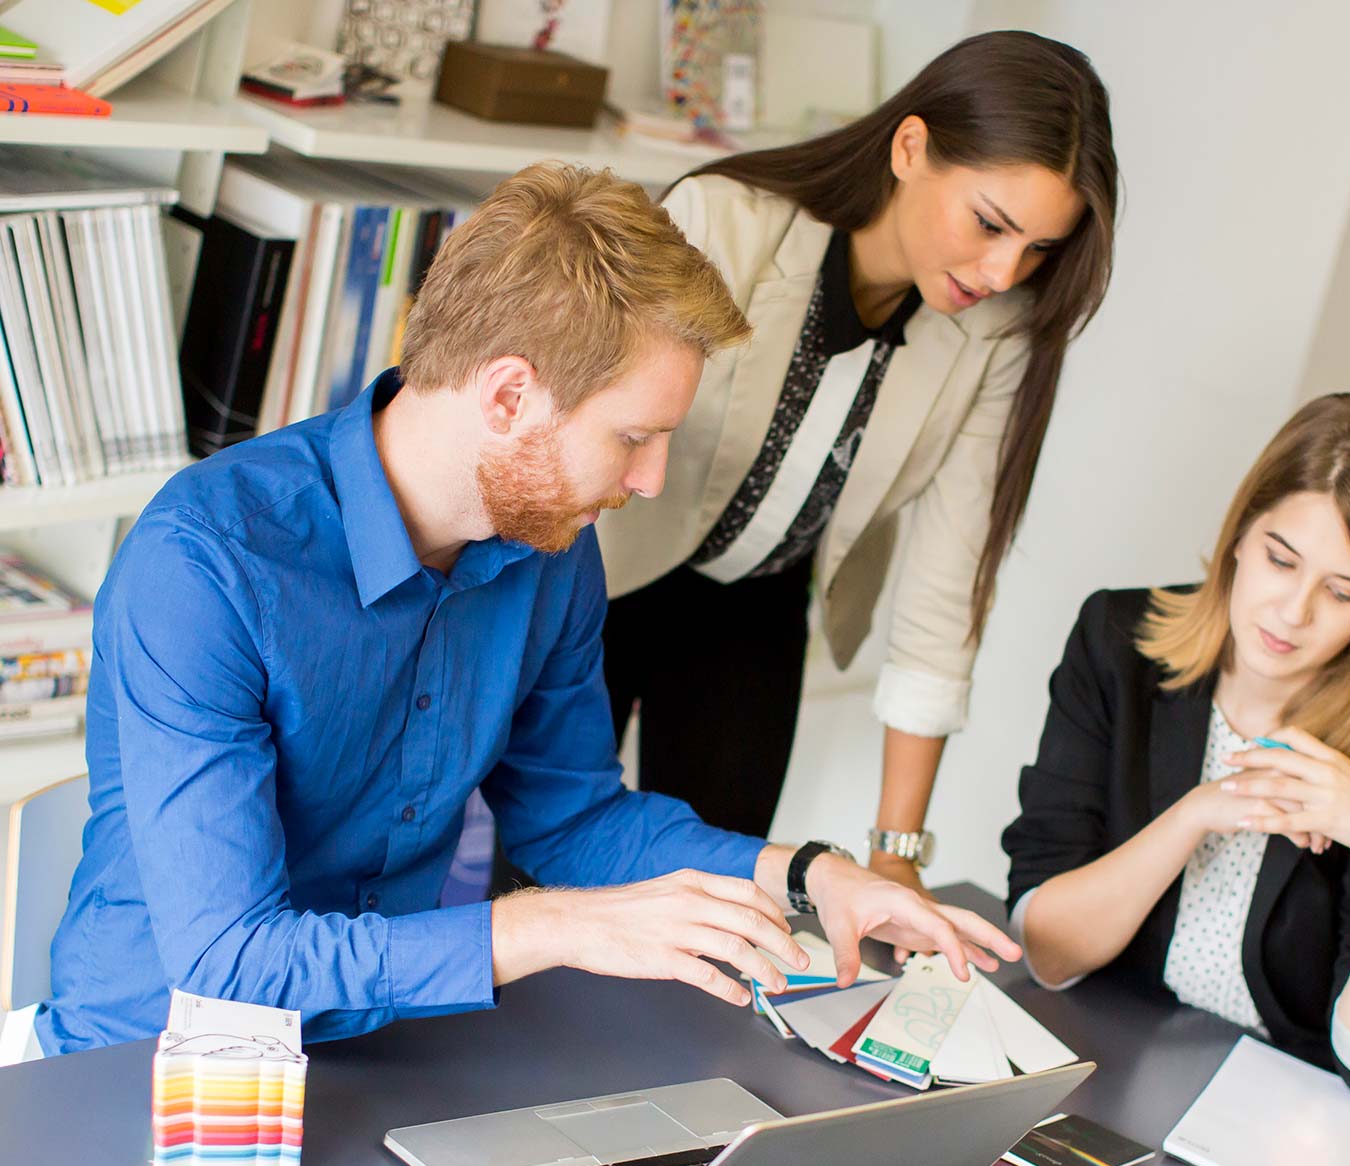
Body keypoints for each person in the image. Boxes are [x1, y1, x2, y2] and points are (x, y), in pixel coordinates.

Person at [30, 163, 1017, 1060]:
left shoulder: (551, 551)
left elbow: (574, 814)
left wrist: (809, 873)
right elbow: (230, 962)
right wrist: (558, 925)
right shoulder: (204, 562)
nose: (651, 477)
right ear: (508, 395)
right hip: (140, 1073)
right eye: (633, 436)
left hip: (386, 1057)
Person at [595, 31, 1119, 891]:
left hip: (758, 604)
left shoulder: (994, 333)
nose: (1002, 271)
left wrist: (896, 855)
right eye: (991, 224)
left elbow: (944, 586)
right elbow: (590, 438)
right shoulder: (724, 221)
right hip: (601, 573)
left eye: (1036, 250)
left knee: (711, 902)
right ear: (910, 148)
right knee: (548, 879)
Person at [1003, 394, 1350, 1116]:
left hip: (1306, 1114)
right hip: (1131, 1070)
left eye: (1345, 592)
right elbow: (1048, 953)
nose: (1293, 612)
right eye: (1279, 559)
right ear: (1238, 533)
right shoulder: (1119, 644)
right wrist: (1196, 815)